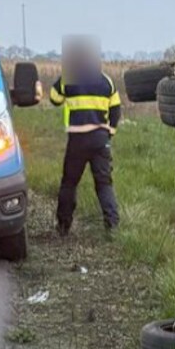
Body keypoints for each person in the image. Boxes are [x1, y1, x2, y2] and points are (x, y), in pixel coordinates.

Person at [49, 47, 122, 235]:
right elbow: (116, 109)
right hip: (100, 140)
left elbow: (54, 98)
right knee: (104, 183)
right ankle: (112, 226)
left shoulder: (69, 78)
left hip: (77, 141)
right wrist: (110, 132)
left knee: (69, 183)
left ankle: (64, 225)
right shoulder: (107, 81)